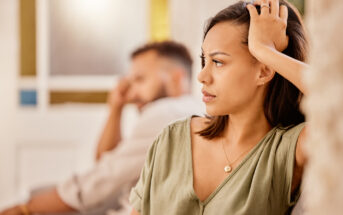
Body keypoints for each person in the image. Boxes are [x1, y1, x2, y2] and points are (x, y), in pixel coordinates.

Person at [129, 0, 309, 214]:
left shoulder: (289, 150)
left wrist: (266, 51)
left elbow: (335, 100)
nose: (202, 76)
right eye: (204, 60)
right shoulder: (171, 139)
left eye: (218, 62)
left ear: (264, 71)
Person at [0, 41, 204, 215]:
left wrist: (24, 209)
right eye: (130, 83)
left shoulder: (165, 114)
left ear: (177, 78)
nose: (131, 93)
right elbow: (108, 162)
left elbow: (99, 181)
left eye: (140, 79)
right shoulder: (195, 110)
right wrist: (115, 108)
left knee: (38, 199)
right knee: (44, 193)